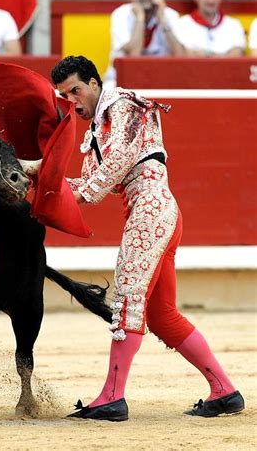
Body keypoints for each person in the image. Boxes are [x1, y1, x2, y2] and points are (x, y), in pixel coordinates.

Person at [50, 55, 245, 421]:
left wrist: (76, 192)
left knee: (127, 299)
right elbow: (85, 182)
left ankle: (112, 396)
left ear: (94, 83)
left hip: (150, 210)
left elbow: (118, 161)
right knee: (161, 315)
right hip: (155, 212)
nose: (71, 101)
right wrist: (42, 185)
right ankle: (225, 391)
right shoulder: (97, 129)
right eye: (64, 96)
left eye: (75, 91)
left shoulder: (122, 104)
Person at [103, 0, 183, 88]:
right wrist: (140, 18)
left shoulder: (170, 15)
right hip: (122, 78)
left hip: (160, 76)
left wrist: (162, 19)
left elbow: (179, 54)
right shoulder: (120, 14)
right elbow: (133, 55)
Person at [174, 0, 246, 57]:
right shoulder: (181, 24)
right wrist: (222, 55)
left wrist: (205, 55)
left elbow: (237, 55)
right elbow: (182, 54)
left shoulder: (234, 25)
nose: (211, 0)